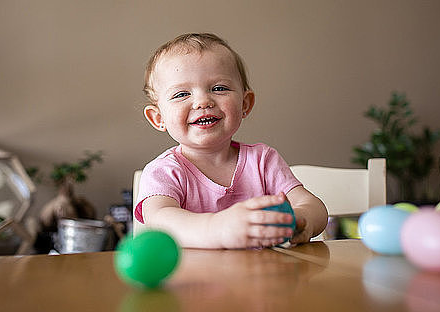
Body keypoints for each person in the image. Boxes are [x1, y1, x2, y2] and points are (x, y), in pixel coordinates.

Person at [135, 33, 328, 248]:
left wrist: (300, 220)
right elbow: (160, 221)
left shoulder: (263, 160)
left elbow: (313, 206)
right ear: (158, 118)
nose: (202, 101)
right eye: (181, 94)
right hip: (194, 280)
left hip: (261, 278)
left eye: (219, 88)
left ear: (245, 103)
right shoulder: (163, 171)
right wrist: (216, 228)